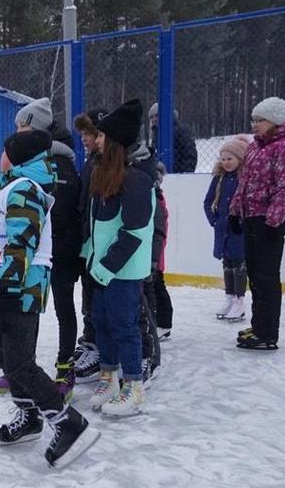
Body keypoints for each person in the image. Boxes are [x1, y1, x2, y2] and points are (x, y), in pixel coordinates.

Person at [0, 129, 98, 468]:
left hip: (18, 288)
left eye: (4, 151)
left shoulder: (27, 190)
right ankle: (29, 416)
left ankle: (68, 424)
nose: (0, 156)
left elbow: (21, 243)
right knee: (5, 358)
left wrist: (5, 282)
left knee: (19, 362)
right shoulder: (10, 189)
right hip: (4, 286)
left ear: (17, 156)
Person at [81, 99, 154, 417]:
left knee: (124, 326)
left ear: (113, 142)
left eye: (101, 136)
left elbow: (134, 234)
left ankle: (134, 386)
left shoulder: (137, 180)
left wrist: (106, 267)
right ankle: (108, 378)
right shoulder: (103, 174)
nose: (95, 139)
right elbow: (98, 225)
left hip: (121, 271)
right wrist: (89, 259)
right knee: (101, 322)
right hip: (100, 268)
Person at [12, 97, 82, 399]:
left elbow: (59, 212)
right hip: (40, 251)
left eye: (21, 126)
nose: (17, 131)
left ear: (35, 127)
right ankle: (27, 369)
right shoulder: (33, 162)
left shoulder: (60, 165)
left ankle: (66, 367)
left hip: (62, 251)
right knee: (32, 308)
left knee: (63, 308)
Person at [230, 97, 285, 350]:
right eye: (254, 120)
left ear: (276, 120)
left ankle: (268, 333)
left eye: (260, 120)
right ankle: (259, 325)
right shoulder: (254, 147)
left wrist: (274, 220)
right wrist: (234, 211)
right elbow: (244, 183)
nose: (255, 125)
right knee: (254, 274)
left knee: (267, 276)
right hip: (250, 217)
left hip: (270, 220)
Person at [71, 108, 107, 384]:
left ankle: (99, 347)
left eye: (89, 133)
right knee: (89, 296)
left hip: (100, 243)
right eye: (82, 133)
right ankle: (91, 342)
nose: (84, 138)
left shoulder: (105, 163)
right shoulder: (91, 160)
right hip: (87, 241)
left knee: (99, 298)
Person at [203, 135, 250, 322]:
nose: (226, 162)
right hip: (222, 229)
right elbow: (207, 202)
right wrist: (214, 220)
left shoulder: (245, 178)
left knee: (239, 264)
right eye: (223, 159)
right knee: (227, 263)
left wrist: (242, 222)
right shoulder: (219, 178)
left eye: (230, 158)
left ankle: (239, 300)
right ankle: (229, 297)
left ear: (240, 158)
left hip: (239, 229)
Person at [148, 162, 173, 339]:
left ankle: (164, 323)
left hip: (155, 252)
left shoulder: (157, 197)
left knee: (157, 286)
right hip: (152, 250)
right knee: (155, 286)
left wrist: (156, 253)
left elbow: (160, 227)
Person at [148, 103, 198, 173]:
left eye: (157, 115)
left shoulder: (180, 130)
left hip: (179, 175)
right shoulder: (156, 135)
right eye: (151, 117)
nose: (154, 119)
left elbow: (190, 154)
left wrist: (186, 173)